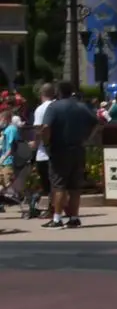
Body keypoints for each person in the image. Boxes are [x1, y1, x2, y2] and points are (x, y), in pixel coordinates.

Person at [44, 80, 98, 229]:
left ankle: (57, 219)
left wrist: (46, 142)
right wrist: (87, 139)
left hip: (60, 150)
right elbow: (96, 122)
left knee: (59, 185)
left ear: (58, 92)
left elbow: (46, 127)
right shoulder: (81, 107)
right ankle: (74, 217)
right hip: (78, 149)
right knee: (75, 187)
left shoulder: (54, 107)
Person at [31, 82, 55, 221]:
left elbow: (39, 129)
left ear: (41, 95)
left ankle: (51, 209)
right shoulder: (57, 106)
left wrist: (35, 143)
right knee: (57, 183)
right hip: (58, 150)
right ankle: (57, 209)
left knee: (48, 184)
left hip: (44, 153)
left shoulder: (40, 109)